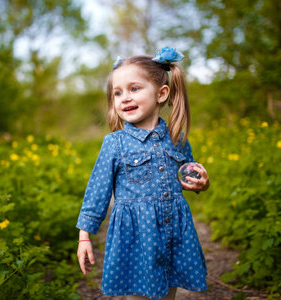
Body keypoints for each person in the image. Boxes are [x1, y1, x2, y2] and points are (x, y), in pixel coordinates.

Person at [76, 47, 210, 300]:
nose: (125, 98)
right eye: (118, 93)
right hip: (137, 238)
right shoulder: (115, 143)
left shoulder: (177, 139)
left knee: (169, 291)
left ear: (161, 94)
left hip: (173, 234)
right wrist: (85, 237)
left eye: (134, 89)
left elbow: (187, 177)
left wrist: (201, 183)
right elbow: (97, 191)